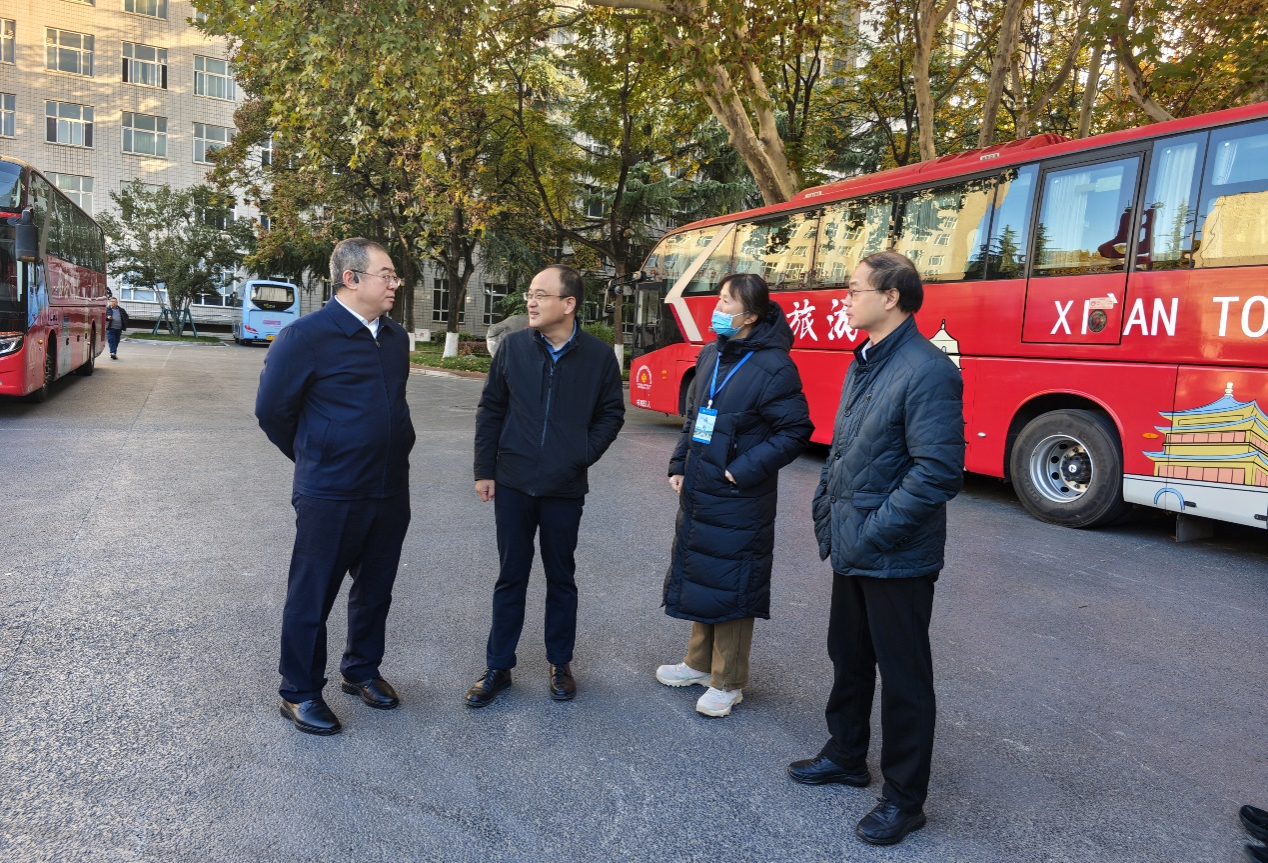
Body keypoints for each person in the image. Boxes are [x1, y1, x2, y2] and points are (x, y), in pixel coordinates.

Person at [792, 251, 964, 846]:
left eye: (853, 290)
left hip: (894, 552)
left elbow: (937, 472)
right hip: (854, 541)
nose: (844, 300)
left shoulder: (928, 370)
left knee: (904, 676)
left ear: (891, 297)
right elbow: (844, 450)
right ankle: (846, 754)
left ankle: (904, 799)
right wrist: (827, 508)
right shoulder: (865, 360)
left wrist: (872, 533)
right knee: (849, 655)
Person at [255, 237, 416, 735]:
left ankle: (361, 670)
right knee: (313, 595)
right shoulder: (304, 337)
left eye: (394, 276)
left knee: (375, 590)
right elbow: (272, 412)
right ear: (351, 279)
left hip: (390, 488)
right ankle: (299, 692)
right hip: (331, 491)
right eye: (386, 275)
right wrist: (317, 455)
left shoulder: (395, 338)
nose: (395, 284)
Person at [468, 264, 625, 707]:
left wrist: (580, 454)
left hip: (564, 487)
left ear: (568, 304)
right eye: (530, 294)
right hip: (513, 482)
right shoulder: (514, 347)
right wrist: (484, 470)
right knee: (510, 576)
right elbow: (491, 409)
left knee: (561, 577)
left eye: (541, 294)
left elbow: (611, 414)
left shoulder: (598, 357)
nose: (530, 302)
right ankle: (498, 665)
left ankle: (560, 663)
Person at [657, 273, 812, 718]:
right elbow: (695, 417)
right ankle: (698, 664)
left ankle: (728, 682)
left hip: (739, 492)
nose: (718, 309)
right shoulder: (712, 353)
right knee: (704, 571)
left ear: (752, 315)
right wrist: (679, 463)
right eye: (720, 299)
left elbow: (795, 430)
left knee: (733, 580)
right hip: (701, 484)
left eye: (727, 303)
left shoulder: (775, 366)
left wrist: (740, 469)